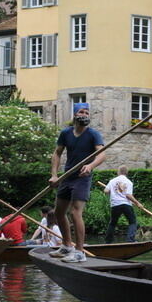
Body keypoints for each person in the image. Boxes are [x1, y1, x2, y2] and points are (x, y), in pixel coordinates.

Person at [49, 103, 105, 262]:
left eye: (87, 112)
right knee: (58, 212)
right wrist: (54, 175)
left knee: (75, 212)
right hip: (67, 176)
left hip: (82, 177)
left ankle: (80, 252)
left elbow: (102, 155)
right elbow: (57, 154)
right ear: (74, 115)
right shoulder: (66, 133)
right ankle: (67, 246)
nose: (85, 114)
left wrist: (90, 165)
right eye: (82, 111)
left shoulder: (94, 134)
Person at [103, 165, 139, 243]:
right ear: (126, 173)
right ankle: (130, 240)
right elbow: (128, 195)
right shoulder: (129, 182)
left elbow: (106, 191)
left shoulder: (112, 181)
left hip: (115, 204)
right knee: (132, 222)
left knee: (112, 223)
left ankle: (108, 241)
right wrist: (138, 203)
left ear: (118, 172)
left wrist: (111, 190)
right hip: (126, 204)